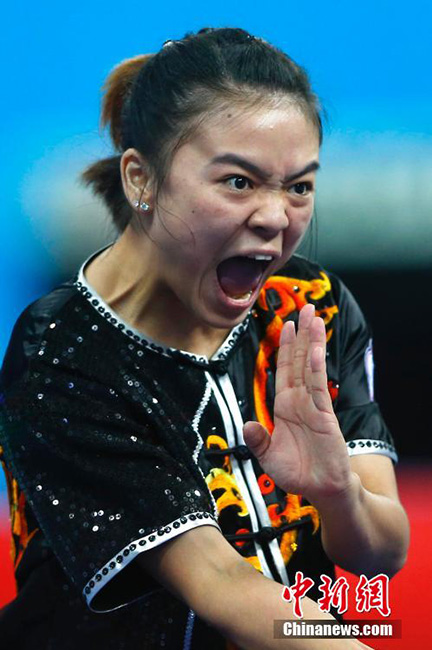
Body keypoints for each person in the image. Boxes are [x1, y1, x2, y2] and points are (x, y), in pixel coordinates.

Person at [0, 27, 409, 649]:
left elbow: (383, 554)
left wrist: (337, 493)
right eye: (239, 182)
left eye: (299, 186)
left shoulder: (310, 305)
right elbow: (222, 584)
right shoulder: (60, 351)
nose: (276, 217)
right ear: (141, 180)